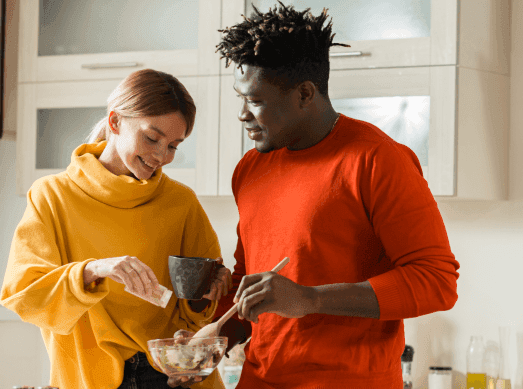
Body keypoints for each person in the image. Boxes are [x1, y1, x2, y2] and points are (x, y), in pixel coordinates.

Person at [194, 2, 460, 388]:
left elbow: (436, 280)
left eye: (255, 101)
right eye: (241, 98)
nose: (243, 115)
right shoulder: (249, 169)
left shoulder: (377, 160)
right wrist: (210, 342)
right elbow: (249, 285)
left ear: (305, 94)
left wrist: (310, 299)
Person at [0, 69, 232, 389]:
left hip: (173, 374)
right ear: (115, 122)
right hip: (92, 376)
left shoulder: (181, 203)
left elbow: (197, 316)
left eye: (173, 146)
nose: (161, 156)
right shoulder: (52, 196)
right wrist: (94, 269)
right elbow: (24, 294)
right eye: (152, 138)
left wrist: (204, 294)